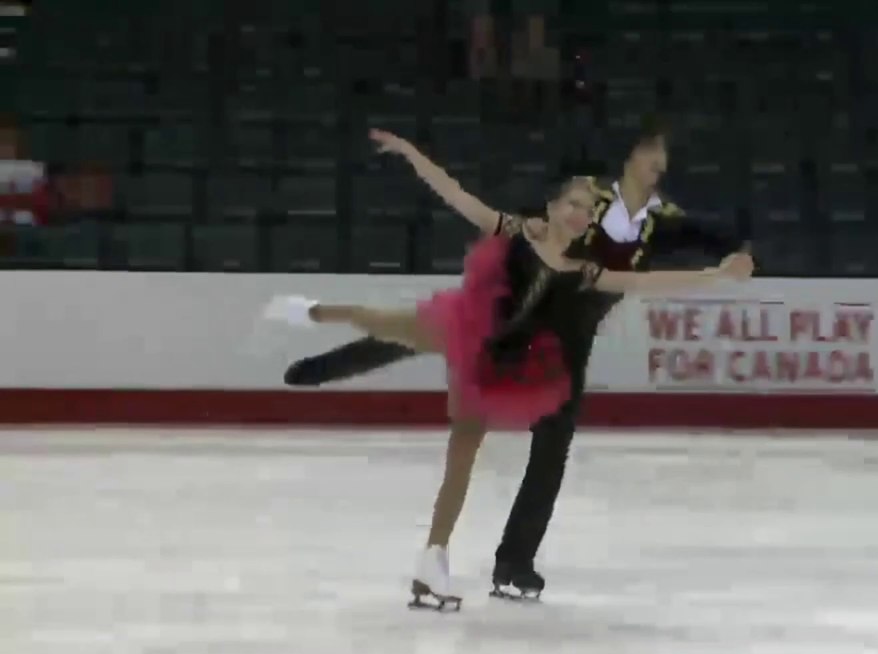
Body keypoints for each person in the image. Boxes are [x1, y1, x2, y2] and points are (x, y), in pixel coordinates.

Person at [264, 129, 751, 611]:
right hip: (488, 318)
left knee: (510, 448)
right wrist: (414, 155)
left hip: (542, 347)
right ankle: (315, 329)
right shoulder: (550, 217)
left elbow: (662, 273)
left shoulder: (634, 240)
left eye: (661, 160)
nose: (656, 167)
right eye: (648, 156)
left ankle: (477, 561)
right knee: (394, 330)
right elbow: (464, 200)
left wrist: (724, 269)